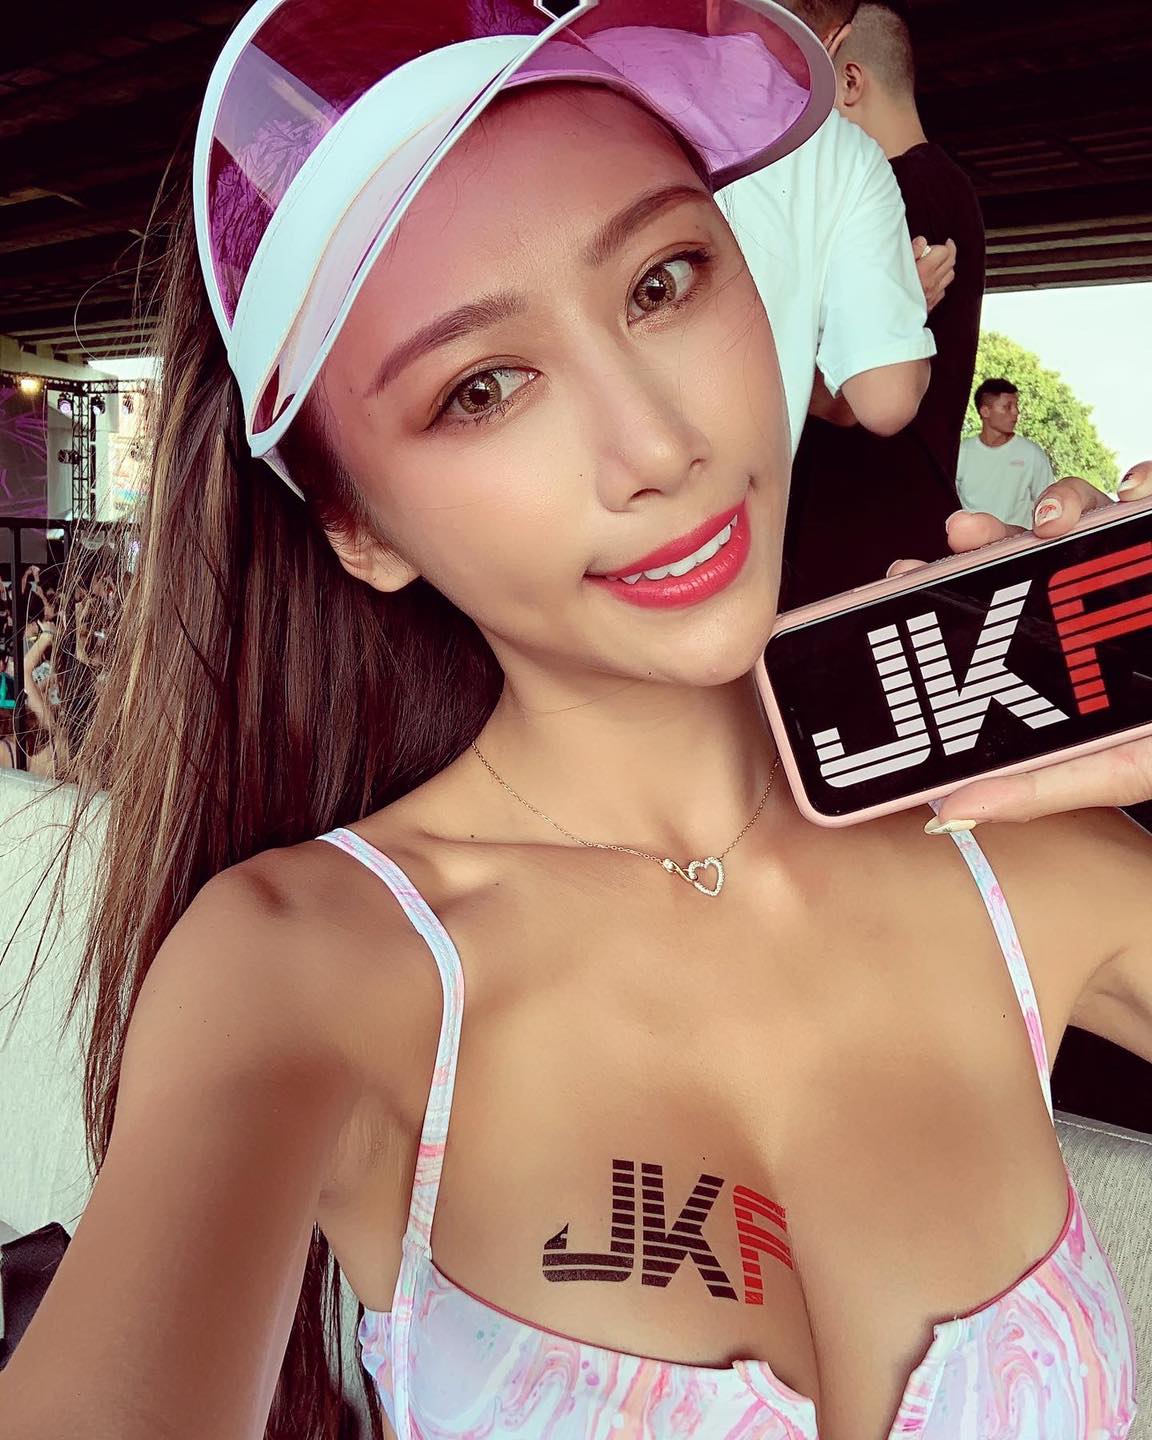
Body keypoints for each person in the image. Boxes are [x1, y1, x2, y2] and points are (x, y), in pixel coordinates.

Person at [0, 5, 1145, 1440]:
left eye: (665, 281)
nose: (657, 445)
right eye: (481, 390)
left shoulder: (1008, 844)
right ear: (360, 527)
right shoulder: (313, 966)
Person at [779, 0, 987, 607]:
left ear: (848, 82)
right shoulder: (946, 188)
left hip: (858, 534)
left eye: (804, 87)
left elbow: (849, 396)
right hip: (896, 517)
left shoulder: (897, 194)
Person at [719, 0, 953, 455]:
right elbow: (882, 397)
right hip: (762, 474)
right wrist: (900, 308)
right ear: (835, 44)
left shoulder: (603, 83)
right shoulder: (853, 164)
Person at [956, 378, 1056, 530]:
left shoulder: (1031, 453)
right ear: (985, 411)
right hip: (973, 541)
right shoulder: (961, 454)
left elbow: (1048, 502)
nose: (1016, 412)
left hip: (1019, 541)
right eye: (1007, 407)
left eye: (1016, 406)